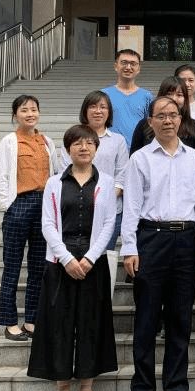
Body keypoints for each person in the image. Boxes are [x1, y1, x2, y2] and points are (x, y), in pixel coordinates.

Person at [120, 96, 195, 391]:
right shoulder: (140, 159)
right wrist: (129, 247)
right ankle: (142, 390)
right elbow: (131, 207)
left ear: (181, 119)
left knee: (180, 319)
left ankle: (176, 389)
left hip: (186, 240)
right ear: (151, 122)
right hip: (151, 239)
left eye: (173, 115)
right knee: (146, 319)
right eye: (161, 116)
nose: (168, 120)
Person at [27, 125, 117, 391]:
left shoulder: (106, 182)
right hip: (60, 265)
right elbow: (47, 224)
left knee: (91, 325)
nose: (83, 148)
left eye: (89, 143)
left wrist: (90, 257)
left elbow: (108, 224)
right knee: (59, 326)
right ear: (68, 149)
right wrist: (66, 258)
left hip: (93, 264)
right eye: (77, 143)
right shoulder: (54, 183)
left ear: (96, 148)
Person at [0, 94, 60, 341]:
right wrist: (9, 205)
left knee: (38, 267)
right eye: (24, 110)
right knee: (12, 266)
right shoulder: (9, 142)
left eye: (33, 109)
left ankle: (31, 320)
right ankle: (10, 323)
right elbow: (2, 175)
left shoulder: (47, 142)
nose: (30, 114)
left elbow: (55, 174)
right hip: (19, 205)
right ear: (16, 115)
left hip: (44, 206)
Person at [71, 91, 129, 296]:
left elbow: (122, 175)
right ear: (85, 111)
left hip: (110, 212)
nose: (98, 111)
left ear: (109, 112)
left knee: (103, 259)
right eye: (93, 106)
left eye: (103, 107)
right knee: (79, 260)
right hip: (78, 210)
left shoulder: (118, 141)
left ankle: (103, 303)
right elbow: (65, 171)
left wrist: (105, 200)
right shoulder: (74, 138)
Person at [129, 76, 195, 156]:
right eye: (169, 94)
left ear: (185, 99)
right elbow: (134, 156)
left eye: (179, 95)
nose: (174, 99)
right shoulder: (144, 125)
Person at [102, 49, 154, 140]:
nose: (128, 67)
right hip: (111, 146)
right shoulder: (104, 94)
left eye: (133, 64)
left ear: (139, 68)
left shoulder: (147, 96)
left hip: (137, 146)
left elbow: (151, 125)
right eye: (124, 63)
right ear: (115, 66)